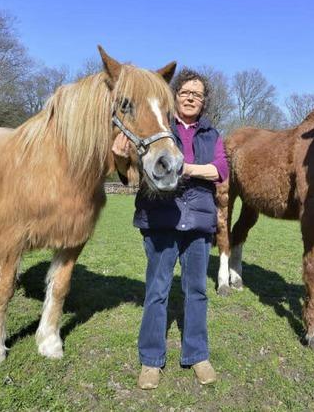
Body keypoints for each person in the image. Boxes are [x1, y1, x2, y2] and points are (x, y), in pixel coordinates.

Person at [112, 68, 229, 390]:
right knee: (157, 291)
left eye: (198, 94)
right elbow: (131, 173)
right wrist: (120, 159)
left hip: (199, 223)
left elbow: (219, 170)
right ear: (175, 97)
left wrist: (182, 166)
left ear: (204, 102)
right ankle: (151, 360)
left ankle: (198, 354)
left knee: (197, 292)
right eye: (186, 93)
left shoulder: (212, 134)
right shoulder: (158, 127)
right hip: (161, 220)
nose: (191, 98)